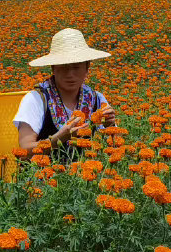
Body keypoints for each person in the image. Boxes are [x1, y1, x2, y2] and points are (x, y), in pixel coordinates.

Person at [14, 28, 117, 162]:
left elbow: (114, 146)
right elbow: (24, 150)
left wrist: (110, 126)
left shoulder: (97, 99)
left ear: (87, 68)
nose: (70, 74)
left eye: (76, 67)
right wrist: (57, 140)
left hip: (86, 178)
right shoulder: (36, 99)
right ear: (53, 68)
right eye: (63, 67)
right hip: (43, 178)